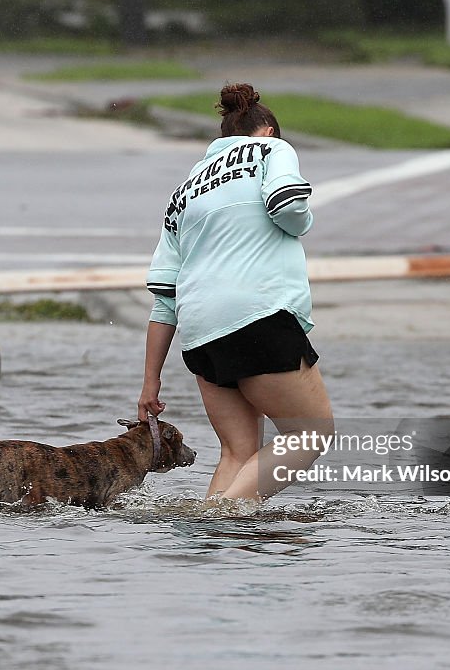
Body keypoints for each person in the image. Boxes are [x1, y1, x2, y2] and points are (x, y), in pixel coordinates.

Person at [137, 83, 333, 502]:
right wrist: (301, 223)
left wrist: (150, 383)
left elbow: (164, 296)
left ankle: (217, 540)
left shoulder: (185, 191)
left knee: (237, 452)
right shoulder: (272, 150)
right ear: (267, 132)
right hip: (257, 315)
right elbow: (287, 205)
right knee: (311, 434)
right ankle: (228, 513)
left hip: (199, 332)